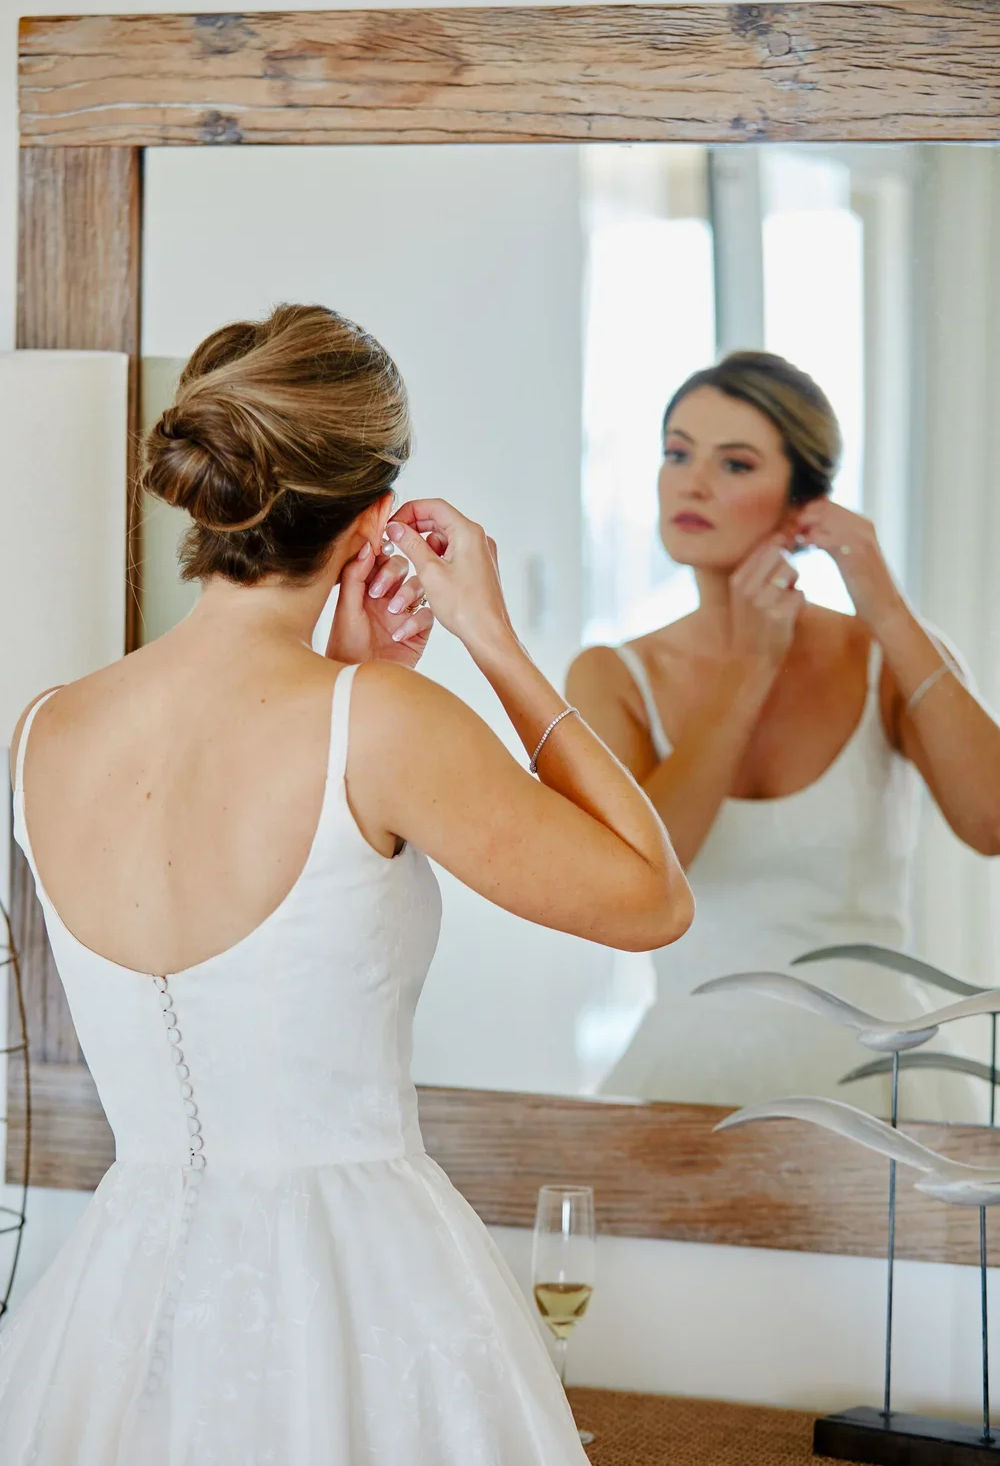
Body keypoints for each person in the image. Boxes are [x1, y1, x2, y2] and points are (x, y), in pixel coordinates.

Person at [1, 304, 693, 1464]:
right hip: (367, 1292)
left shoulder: (44, 732)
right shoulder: (378, 723)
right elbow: (650, 896)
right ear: (375, 516)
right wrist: (493, 642)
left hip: (117, 1308)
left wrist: (344, 682)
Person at [568, 351, 1000, 1116]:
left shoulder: (884, 657)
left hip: (885, 1085)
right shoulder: (610, 677)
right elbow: (640, 878)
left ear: (804, 501)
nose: (691, 482)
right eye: (676, 451)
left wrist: (887, 608)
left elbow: (991, 821)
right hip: (687, 1085)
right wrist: (749, 668)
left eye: (734, 463)